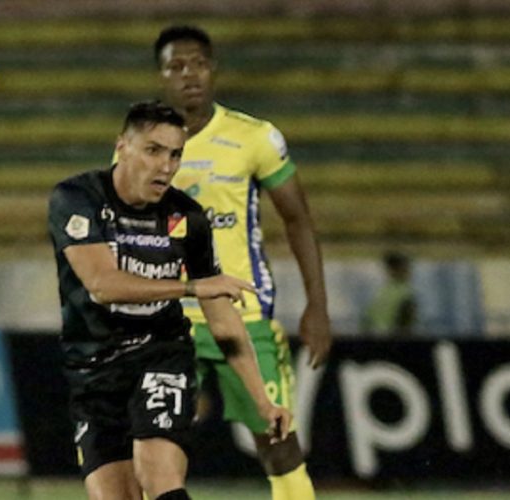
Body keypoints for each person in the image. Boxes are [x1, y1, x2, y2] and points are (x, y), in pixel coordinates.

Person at [48, 101, 291, 500]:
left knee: (159, 474)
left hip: (162, 356)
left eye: (175, 154)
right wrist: (191, 288)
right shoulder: (77, 199)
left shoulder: (187, 217)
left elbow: (221, 316)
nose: (166, 165)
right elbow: (102, 284)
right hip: (93, 370)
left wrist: (264, 402)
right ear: (122, 147)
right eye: (154, 150)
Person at [153, 25, 332, 499]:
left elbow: (298, 220)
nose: (189, 75)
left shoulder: (254, 138)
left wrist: (318, 306)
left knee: (277, 443)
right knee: (158, 451)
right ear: (161, 76)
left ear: (214, 70)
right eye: (176, 66)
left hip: (244, 318)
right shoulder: (142, 144)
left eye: (199, 64)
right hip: (170, 322)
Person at [361, 251, 417, 337]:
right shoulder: (406, 294)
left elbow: (365, 322)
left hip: (374, 341)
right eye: (406, 268)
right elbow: (406, 327)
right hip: (394, 343)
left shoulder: (379, 293)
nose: (409, 271)